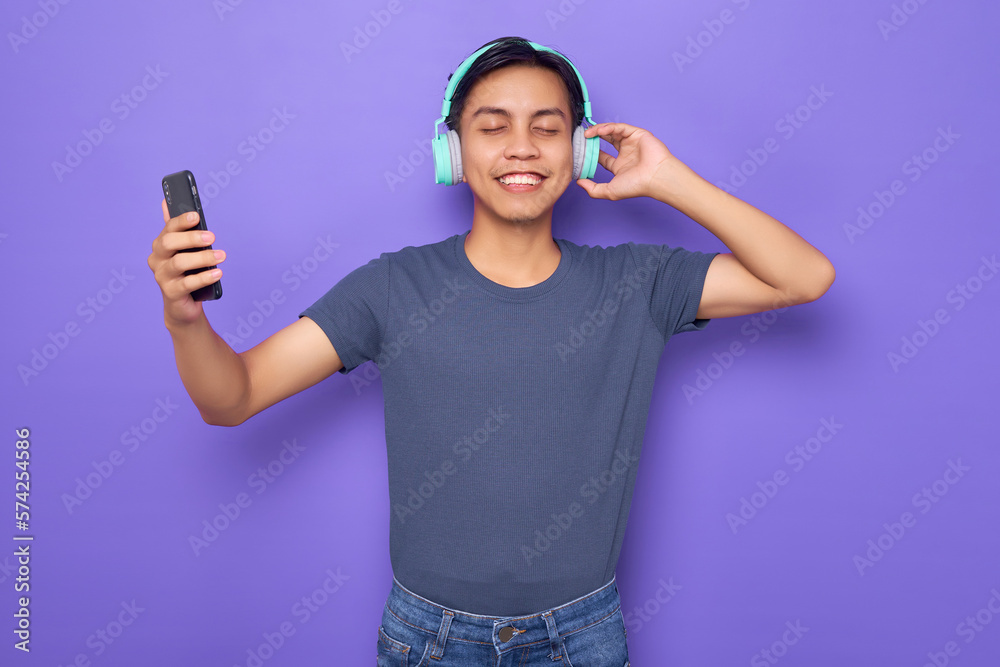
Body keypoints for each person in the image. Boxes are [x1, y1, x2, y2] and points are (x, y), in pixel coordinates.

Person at [148, 36, 834, 666]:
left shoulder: (639, 283)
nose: (522, 147)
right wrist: (185, 317)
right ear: (452, 150)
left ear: (581, 148)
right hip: (429, 637)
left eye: (548, 127)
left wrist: (668, 179)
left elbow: (803, 277)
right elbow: (230, 397)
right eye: (493, 126)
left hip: (582, 633)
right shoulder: (392, 287)